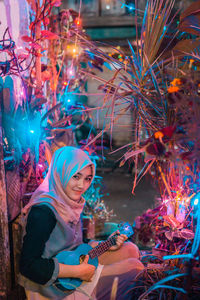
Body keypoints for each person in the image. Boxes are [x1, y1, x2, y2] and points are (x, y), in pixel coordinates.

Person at [19, 146, 144, 300]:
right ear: (61, 173)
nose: (82, 185)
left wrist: (106, 245)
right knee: (135, 268)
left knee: (130, 249)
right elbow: (28, 266)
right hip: (53, 287)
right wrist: (77, 272)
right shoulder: (44, 211)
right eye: (76, 176)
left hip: (73, 265)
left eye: (87, 178)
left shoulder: (70, 202)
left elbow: (75, 246)